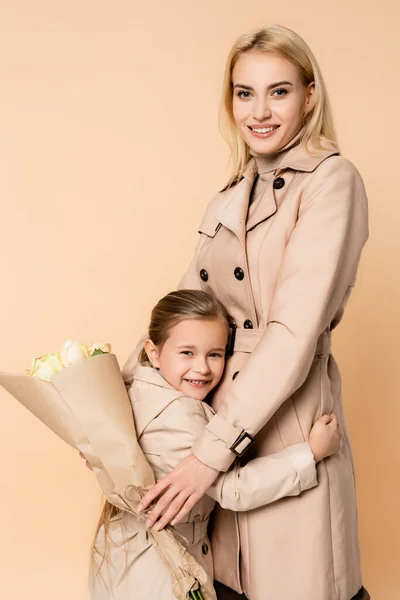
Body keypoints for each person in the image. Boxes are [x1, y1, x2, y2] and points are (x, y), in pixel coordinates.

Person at [123, 25, 370, 600]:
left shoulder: (332, 181)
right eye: (244, 92)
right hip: (211, 418)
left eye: (278, 92)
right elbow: (181, 311)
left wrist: (210, 456)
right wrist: (115, 405)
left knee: (299, 583)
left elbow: (292, 332)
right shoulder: (232, 193)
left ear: (310, 95)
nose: (258, 111)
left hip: (279, 424)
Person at [90, 290, 339, 600]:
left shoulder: (135, 388)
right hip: (156, 570)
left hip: (124, 555)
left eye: (215, 354)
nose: (202, 368)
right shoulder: (176, 416)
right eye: (187, 353)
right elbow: (235, 488)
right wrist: (310, 453)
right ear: (153, 352)